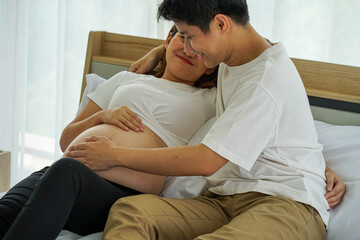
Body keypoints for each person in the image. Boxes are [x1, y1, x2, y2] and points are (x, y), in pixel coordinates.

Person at [65, 1, 346, 239]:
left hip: (286, 204)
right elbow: (285, 125)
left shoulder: (263, 81)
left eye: (189, 36)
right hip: (226, 198)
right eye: (180, 37)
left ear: (222, 25)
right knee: (131, 212)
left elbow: (206, 160)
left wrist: (113, 156)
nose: (188, 48)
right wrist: (159, 52)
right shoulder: (237, 53)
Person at [0, 26, 218, 240]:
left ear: (211, 65)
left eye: (200, 50)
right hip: (58, 174)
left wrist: (157, 52)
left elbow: (247, 62)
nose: (189, 50)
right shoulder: (124, 79)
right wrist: (100, 117)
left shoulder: (210, 100)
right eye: (184, 37)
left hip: (120, 194)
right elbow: (66, 140)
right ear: (168, 40)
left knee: (68, 170)